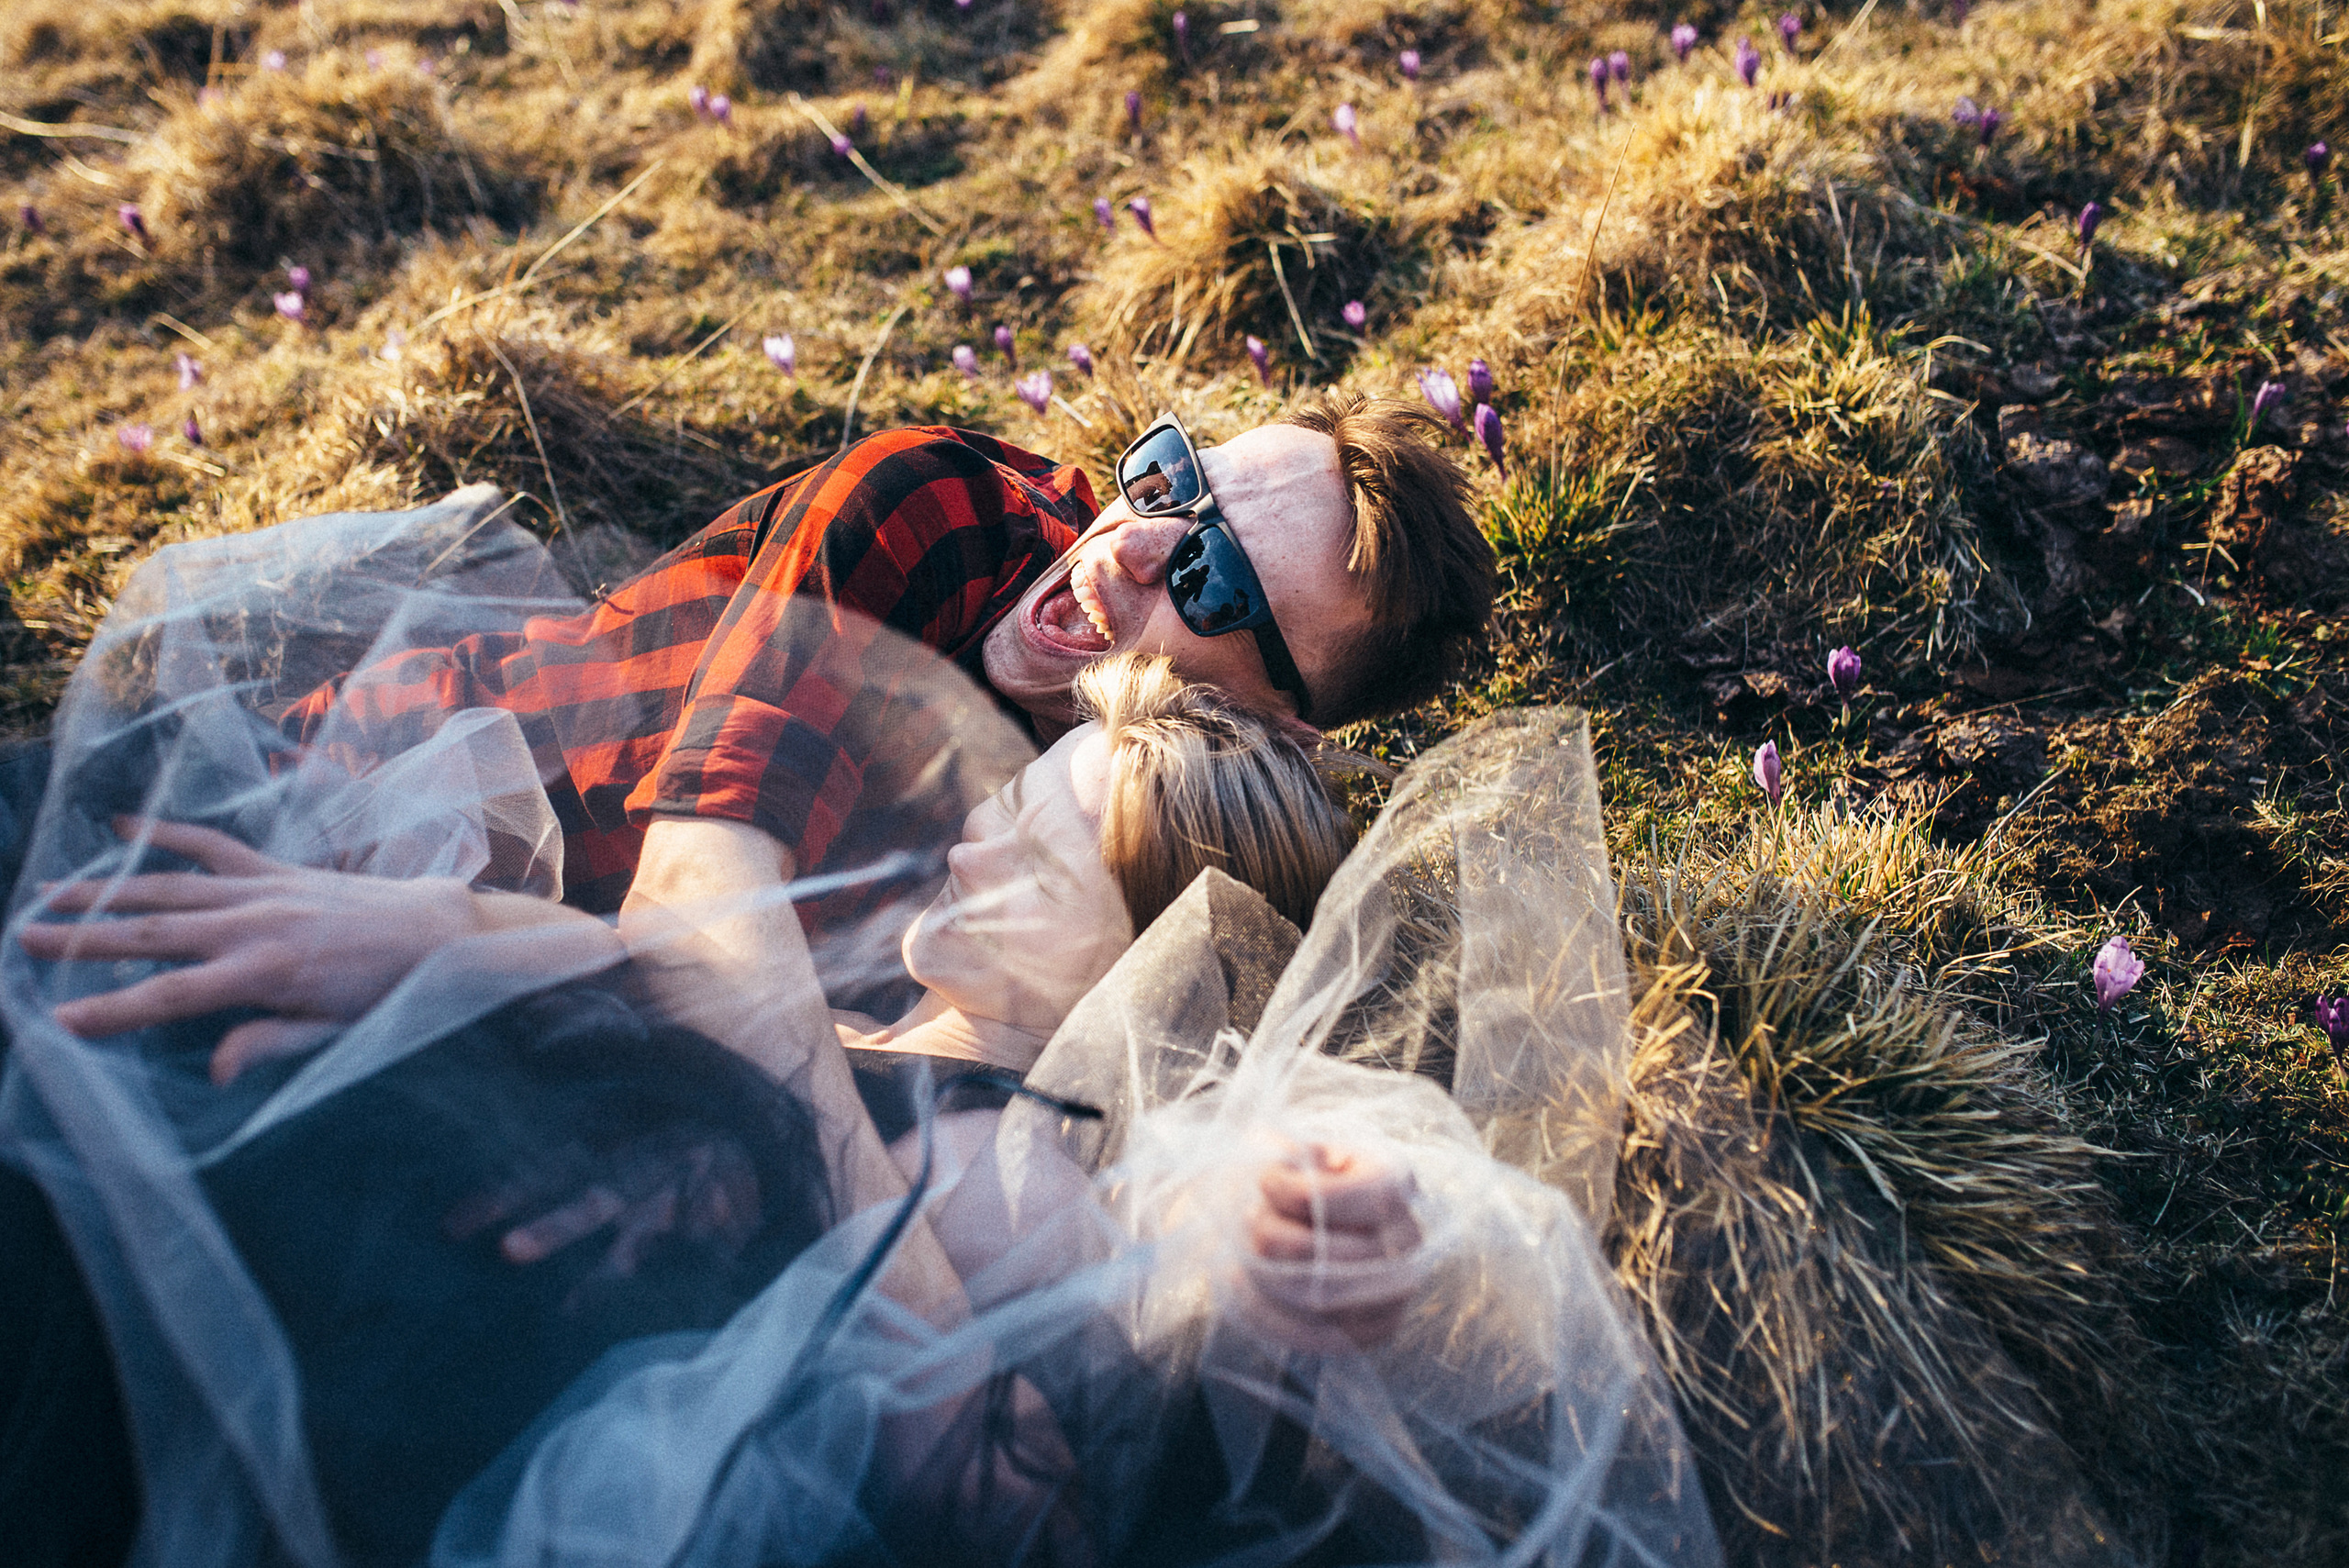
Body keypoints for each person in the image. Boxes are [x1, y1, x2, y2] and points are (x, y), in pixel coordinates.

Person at [21, 397, 1494, 1071]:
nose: (1130, 544)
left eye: (1214, 577)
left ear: (1268, 719)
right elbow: (698, 922)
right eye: (1172, 474)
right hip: (358, 798)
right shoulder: (932, 508)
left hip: (552, 1015)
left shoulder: (1159, 822)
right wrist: (897, 1261)